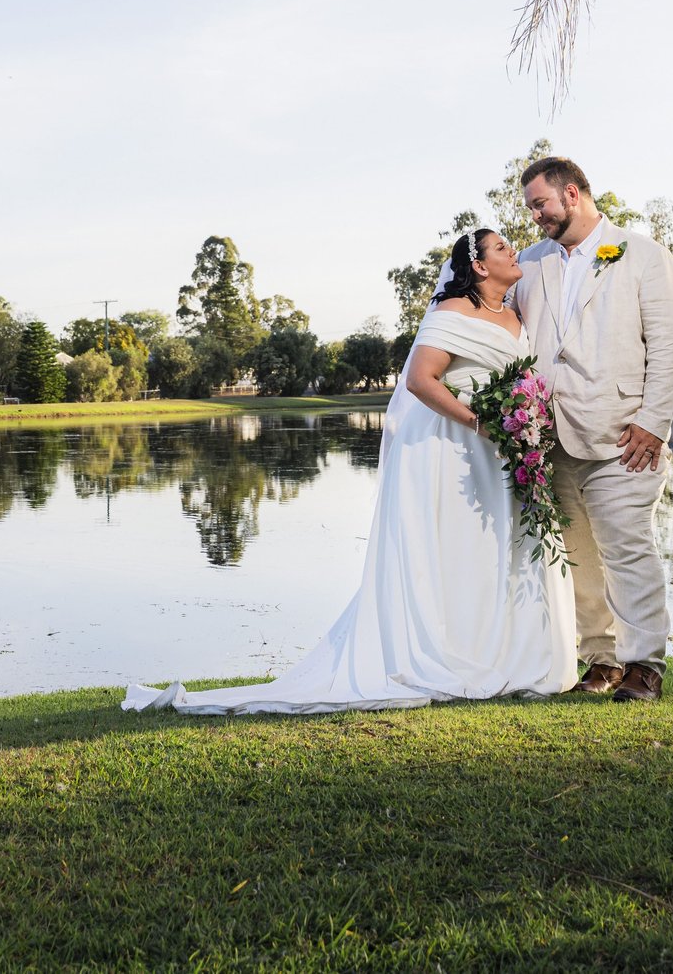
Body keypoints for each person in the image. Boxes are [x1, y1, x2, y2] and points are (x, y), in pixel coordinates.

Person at [124, 227, 577, 713]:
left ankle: (506, 652)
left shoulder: (515, 313)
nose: (514, 252)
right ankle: (451, 654)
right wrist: (479, 421)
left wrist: (521, 421)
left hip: (503, 451)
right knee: (459, 546)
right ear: (481, 267)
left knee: (499, 546)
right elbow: (420, 380)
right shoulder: (451, 313)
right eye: (502, 248)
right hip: (454, 447)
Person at [514, 156, 673, 703]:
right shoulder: (528, 263)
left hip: (623, 436)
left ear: (572, 193)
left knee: (628, 550)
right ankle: (602, 660)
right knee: (577, 556)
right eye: (531, 208)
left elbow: (669, 343)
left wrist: (653, 422)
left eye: (540, 204)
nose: (536, 216)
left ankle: (645, 665)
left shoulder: (642, 255)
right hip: (548, 437)